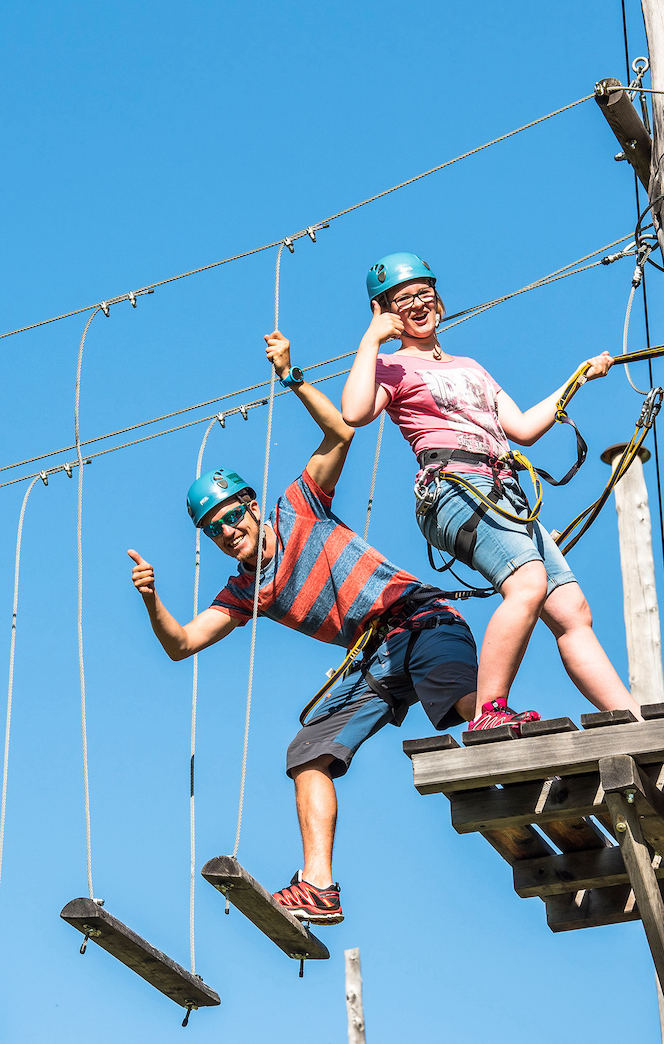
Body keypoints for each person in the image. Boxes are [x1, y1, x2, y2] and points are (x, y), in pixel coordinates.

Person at [127, 329, 483, 926]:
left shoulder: (299, 504)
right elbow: (181, 644)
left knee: (468, 715)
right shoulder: (246, 590)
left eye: (232, 514)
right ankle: (318, 884)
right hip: (375, 658)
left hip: (421, 621)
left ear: (252, 504)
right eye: (215, 529)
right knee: (308, 751)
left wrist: (292, 376)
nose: (229, 530)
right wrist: (152, 600)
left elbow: (341, 432)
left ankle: (532, 755)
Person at [341, 253, 639, 735]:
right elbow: (354, 413)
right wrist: (372, 340)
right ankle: (489, 711)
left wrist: (576, 379)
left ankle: (632, 719)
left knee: (570, 608)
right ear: (386, 310)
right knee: (527, 584)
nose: (418, 303)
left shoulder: (471, 367)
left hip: (504, 490)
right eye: (404, 298)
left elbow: (521, 429)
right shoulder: (390, 367)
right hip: (454, 485)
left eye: (424, 292)